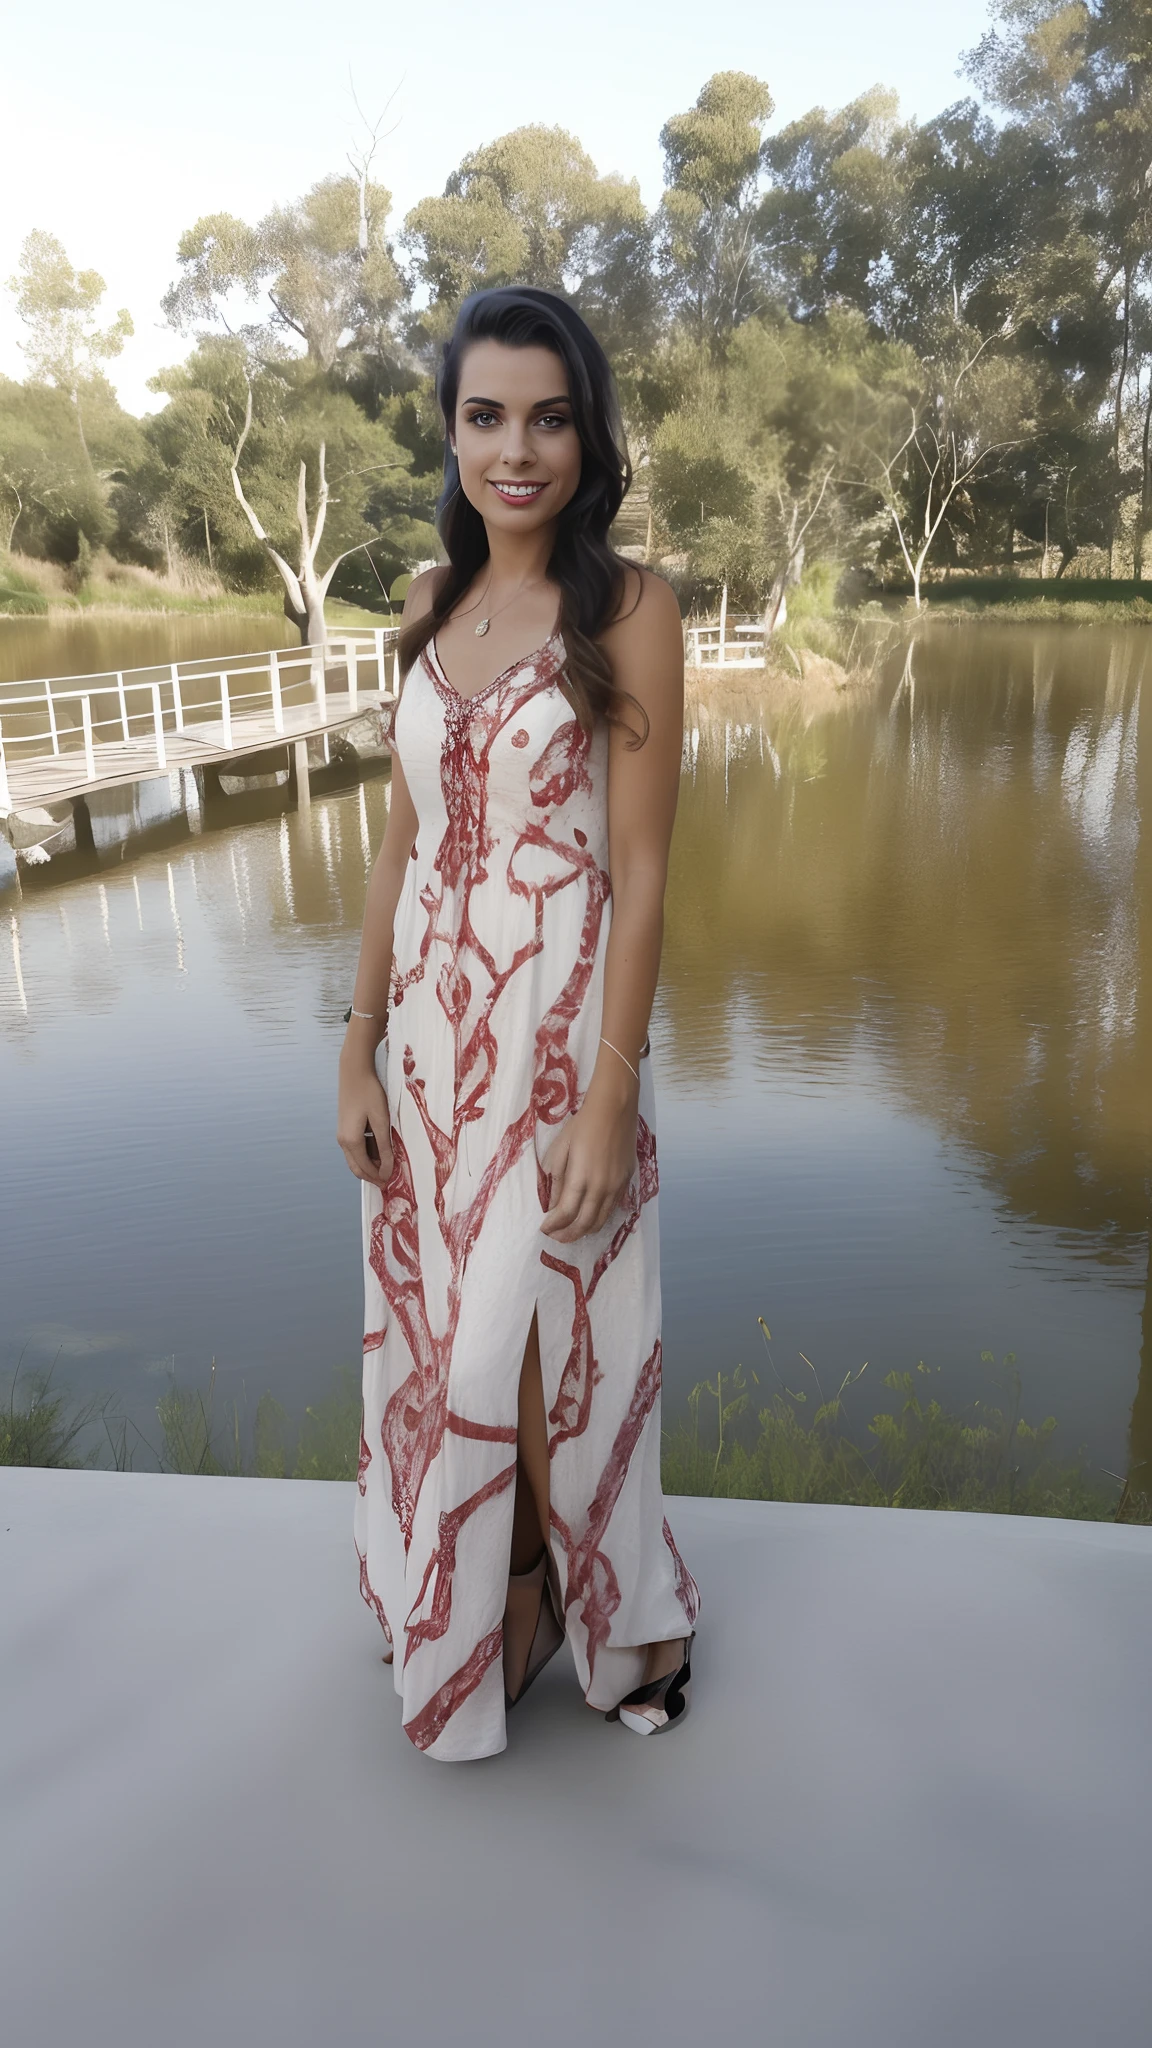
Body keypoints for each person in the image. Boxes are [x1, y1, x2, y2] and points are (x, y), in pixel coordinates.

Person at [337, 285, 699, 1762]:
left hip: (555, 1042)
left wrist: (612, 1089)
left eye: (550, 416)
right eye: (487, 415)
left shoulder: (630, 609)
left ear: (588, 433)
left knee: (535, 1342)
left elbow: (649, 867)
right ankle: (512, 1591)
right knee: (458, 1349)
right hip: (430, 1045)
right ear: (451, 431)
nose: (519, 449)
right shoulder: (429, 608)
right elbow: (400, 842)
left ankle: (628, 1614)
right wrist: (353, 1041)